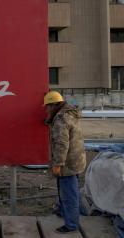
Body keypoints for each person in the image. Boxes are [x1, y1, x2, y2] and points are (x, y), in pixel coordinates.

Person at [43, 91, 86, 234]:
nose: (46, 110)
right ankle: (65, 212)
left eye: (48, 107)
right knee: (70, 191)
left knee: (69, 194)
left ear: (54, 105)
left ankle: (71, 225)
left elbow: (61, 143)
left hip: (67, 163)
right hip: (76, 159)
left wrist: (58, 164)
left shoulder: (61, 119)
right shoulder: (70, 114)